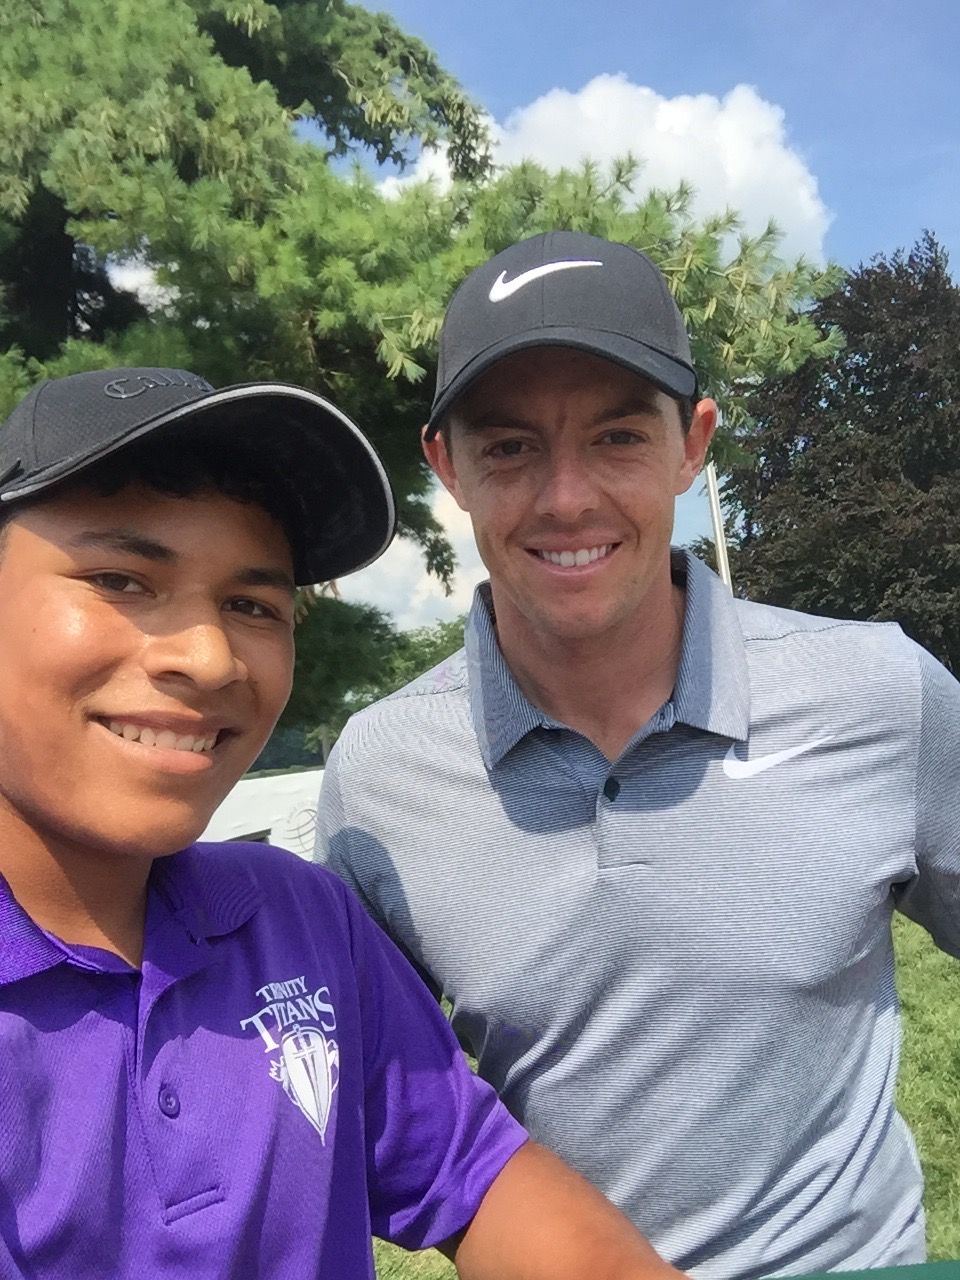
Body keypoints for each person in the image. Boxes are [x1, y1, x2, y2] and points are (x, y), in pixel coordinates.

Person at [315, 231, 960, 1277]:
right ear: (445, 464)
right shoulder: (380, 774)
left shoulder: (879, 694)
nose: (567, 497)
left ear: (692, 442)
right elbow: (378, 1115)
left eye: (618, 437)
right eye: (511, 447)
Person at [0, 366, 685, 1280]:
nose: (208, 658)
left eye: (251, 606)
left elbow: (478, 1177)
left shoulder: (299, 923)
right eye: (121, 579)